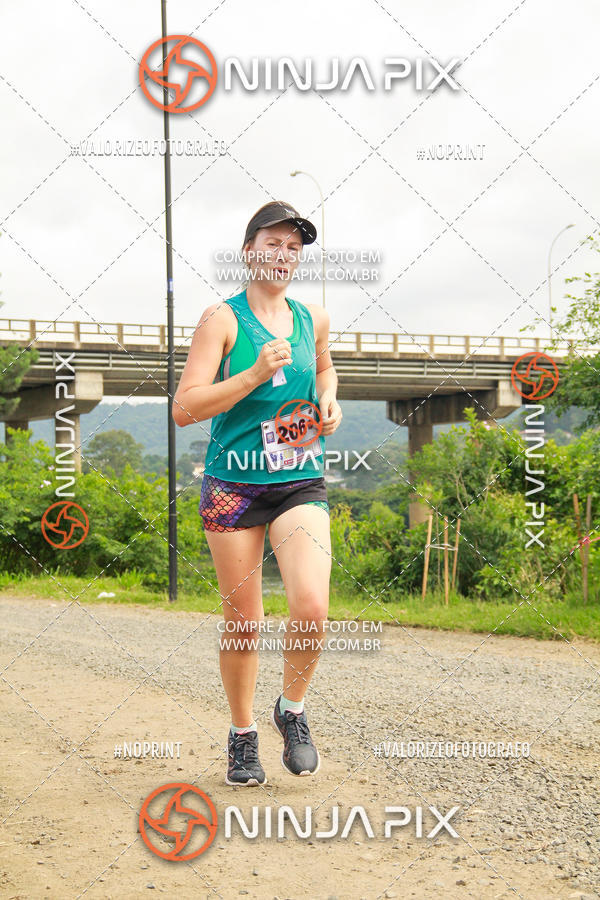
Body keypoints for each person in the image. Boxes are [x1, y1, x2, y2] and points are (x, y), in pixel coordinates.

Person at [173, 201, 342, 785]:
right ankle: (243, 735)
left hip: (298, 477)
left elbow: (324, 370)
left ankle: (291, 710)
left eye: (293, 247)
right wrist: (248, 375)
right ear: (249, 251)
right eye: (272, 243)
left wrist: (329, 399)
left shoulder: (312, 317)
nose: (283, 255)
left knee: (312, 607)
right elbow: (184, 408)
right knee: (244, 621)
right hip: (232, 486)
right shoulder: (221, 319)